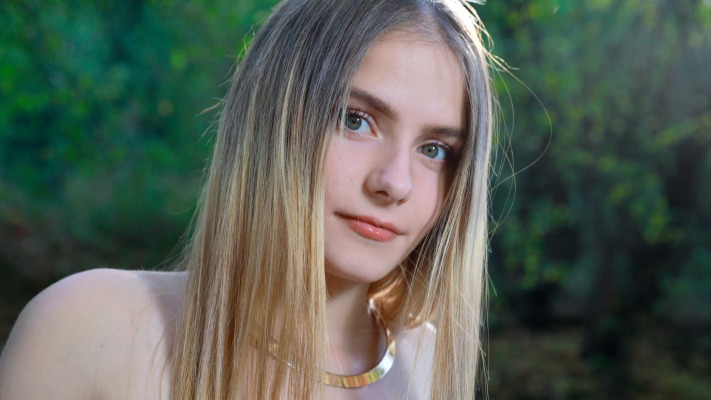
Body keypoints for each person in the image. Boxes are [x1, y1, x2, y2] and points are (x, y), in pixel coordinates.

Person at [0, 0, 495, 398]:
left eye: (434, 150)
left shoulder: (428, 366)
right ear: (271, 118)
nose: (395, 183)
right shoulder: (88, 328)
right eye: (355, 120)